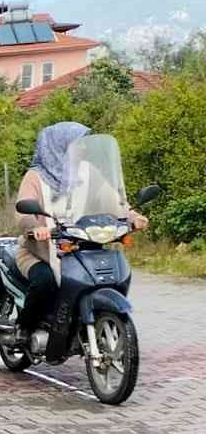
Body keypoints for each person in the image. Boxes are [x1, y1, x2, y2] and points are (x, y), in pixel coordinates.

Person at [14, 121, 149, 362]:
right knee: (44, 281)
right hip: (40, 251)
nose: (83, 149)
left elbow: (114, 200)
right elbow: (23, 211)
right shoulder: (36, 177)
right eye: (78, 144)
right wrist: (35, 228)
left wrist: (133, 217)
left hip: (80, 245)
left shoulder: (87, 171)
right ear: (60, 146)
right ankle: (23, 330)